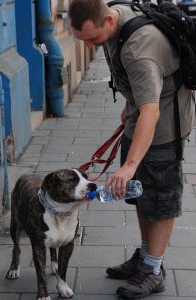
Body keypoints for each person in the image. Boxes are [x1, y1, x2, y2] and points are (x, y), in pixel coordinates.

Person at [68, 0, 195, 299]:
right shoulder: (113, 19)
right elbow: (138, 91)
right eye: (81, 40)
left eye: (91, 39)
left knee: (161, 198)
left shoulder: (139, 48)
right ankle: (145, 256)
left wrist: (127, 166)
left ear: (109, 22)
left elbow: (151, 112)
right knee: (139, 193)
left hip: (163, 127)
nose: (88, 47)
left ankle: (153, 270)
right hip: (140, 117)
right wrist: (130, 107)